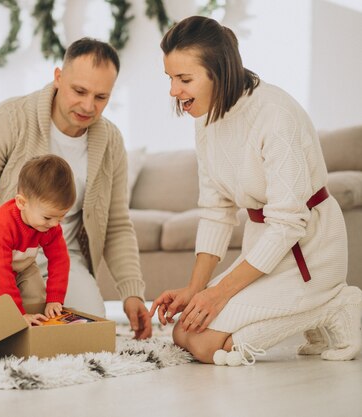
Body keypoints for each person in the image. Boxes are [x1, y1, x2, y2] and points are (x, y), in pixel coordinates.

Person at [150, 16, 362, 364]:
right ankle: (315, 313)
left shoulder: (275, 115)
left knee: (204, 345)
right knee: (183, 331)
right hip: (265, 248)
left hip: (310, 250)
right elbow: (215, 210)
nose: (174, 91)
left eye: (184, 79)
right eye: (170, 78)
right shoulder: (207, 119)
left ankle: (334, 303)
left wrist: (218, 294)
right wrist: (195, 290)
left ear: (218, 72)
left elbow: (288, 224)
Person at [0, 37, 152, 339]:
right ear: (58, 77)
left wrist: (132, 292)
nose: (88, 106)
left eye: (101, 97)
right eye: (79, 91)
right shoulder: (8, 120)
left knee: (86, 331)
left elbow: (117, 224)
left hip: (61, 257)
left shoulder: (110, 142)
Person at [0, 155, 75, 327]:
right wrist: (17, 313)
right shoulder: (0, 224)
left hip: (20, 262)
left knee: (36, 293)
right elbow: (0, 270)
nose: (55, 224)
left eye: (61, 217)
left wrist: (54, 299)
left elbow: (60, 260)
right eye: (48, 217)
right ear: (22, 203)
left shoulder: (50, 226)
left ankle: (27, 335)